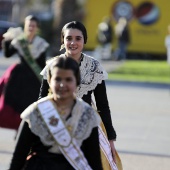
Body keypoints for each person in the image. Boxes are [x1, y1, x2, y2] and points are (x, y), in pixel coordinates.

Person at [39, 21, 121, 169]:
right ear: (62, 40)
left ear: (85, 40)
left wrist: (110, 138)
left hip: (87, 125)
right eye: (69, 38)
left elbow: (103, 105)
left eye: (78, 38)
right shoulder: (52, 65)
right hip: (57, 124)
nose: (73, 42)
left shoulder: (94, 67)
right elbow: (41, 100)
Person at [8, 56, 103, 170]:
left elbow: (94, 160)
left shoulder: (87, 114)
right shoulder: (36, 112)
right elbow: (19, 157)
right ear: (49, 80)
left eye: (68, 79)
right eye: (57, 79)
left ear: (77, 81)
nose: (62, 85)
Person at [0, 15, 49, 129]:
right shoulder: (20, 40)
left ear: (37, 27)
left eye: (33, 25)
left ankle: (26, 127)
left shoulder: (41, 43)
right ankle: (17, 127)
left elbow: (42, 64)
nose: (31, 28)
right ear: (25, 26)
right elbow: (8, 54)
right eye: (29, 25)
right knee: (14, 103)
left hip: (33, 79)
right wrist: (7, 40)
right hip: (19, 77)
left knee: (30, 103)